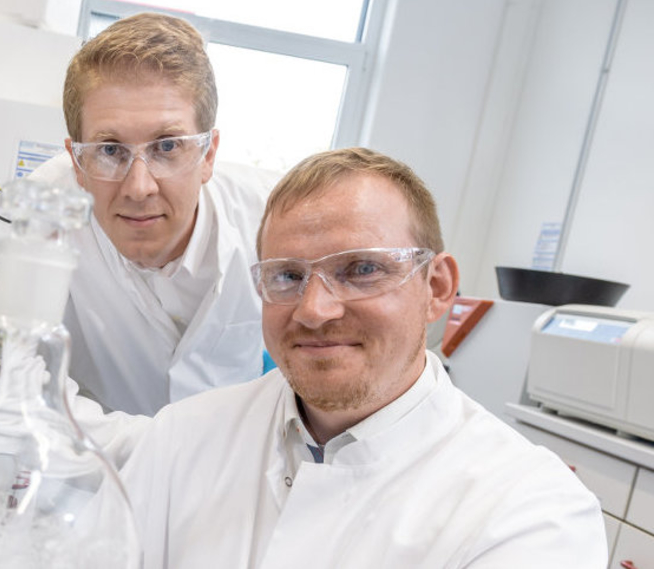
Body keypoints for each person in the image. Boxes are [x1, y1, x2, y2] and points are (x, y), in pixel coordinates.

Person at [119, 147, 606, 568]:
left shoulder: (531, 511)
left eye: (362, 269)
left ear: (437, 288)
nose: (314, 310)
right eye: (287, 276)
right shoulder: (182, 437)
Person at [30, 13, 275, 422]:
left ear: (208, 155)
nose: (138, 187)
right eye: (110, 150)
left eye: (167, 147)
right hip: (92, 452)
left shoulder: (267, 217)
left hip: (233, 451)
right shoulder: (48, 205)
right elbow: (17, 376)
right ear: (76, 162)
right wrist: (145, 448)